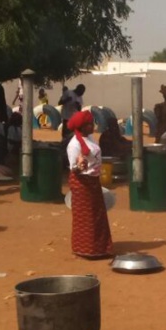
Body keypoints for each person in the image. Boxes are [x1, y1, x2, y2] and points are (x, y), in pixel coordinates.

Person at [66, 109, 113, 259]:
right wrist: (79, 166)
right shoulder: (74, 145)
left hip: (93, 181)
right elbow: (73, 168)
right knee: (86, 217)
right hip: (82, 183)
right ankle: (87, 250)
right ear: (82, 126)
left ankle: (100, 248)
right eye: (89, 124)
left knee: (98, 215)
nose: (92, 125)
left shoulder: (90, 138)